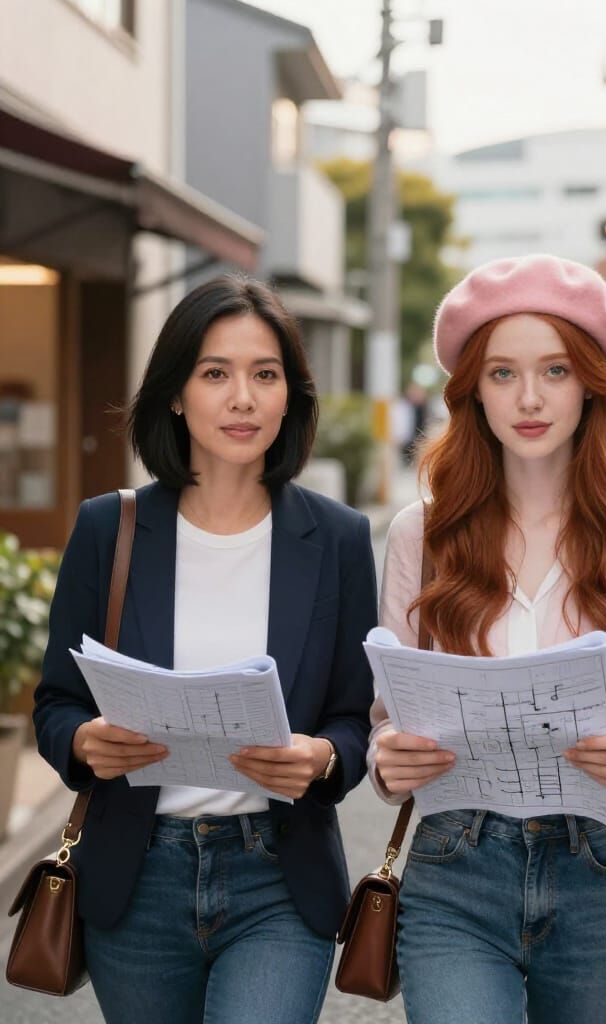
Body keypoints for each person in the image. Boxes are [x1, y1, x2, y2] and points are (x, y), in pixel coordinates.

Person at [33, 276, 377, 1024]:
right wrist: (87, 741)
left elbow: (358, 717)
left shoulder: (340, 540)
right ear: (177, 394)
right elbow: (56, 703)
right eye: (215, 373)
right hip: (137, 871)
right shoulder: (108, 529)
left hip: (279, 875)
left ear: (291, 398)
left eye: (265, 374)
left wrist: (321, 756)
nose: (243, 397)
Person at [367, 254, 606, 1023]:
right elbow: (391, 716)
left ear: (591, 383)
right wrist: (392, 754)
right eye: (502, 374)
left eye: (554, 369)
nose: (529, 398)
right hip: (455, 859)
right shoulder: (420, 533)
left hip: (602, 865)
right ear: (471, 391)